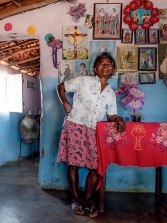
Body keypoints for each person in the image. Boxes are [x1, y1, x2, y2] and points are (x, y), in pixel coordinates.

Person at [56, 52, 126, 218]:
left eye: (109, 64)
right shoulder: (83, 81)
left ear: (113, 70)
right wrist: (65, 102)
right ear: (95, 68)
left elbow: (110, 117)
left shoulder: (111, 93)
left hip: (94, 131)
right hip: (75, 126)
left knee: (95, 168)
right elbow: (61, 87)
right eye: (102, 63)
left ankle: (86, 200)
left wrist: (120, 118)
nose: (105, 66)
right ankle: (75, 200)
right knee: (73, 165)